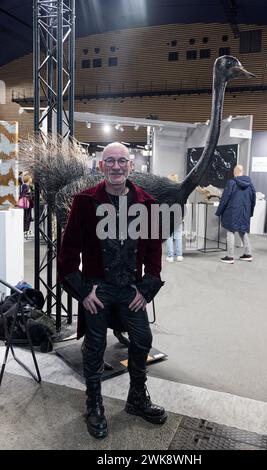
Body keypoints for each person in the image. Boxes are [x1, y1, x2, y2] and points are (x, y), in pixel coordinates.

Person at [58, 142, 167, 439]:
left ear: (131, 165)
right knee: (94, 347)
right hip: (97, 289)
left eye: (122, 161)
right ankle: (94, 403)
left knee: (143, 339)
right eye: (110, 161)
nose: (116, 166)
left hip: (131, 288)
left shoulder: (147, 204)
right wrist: (83, 292)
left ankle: (136, 397)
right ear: (101, 166)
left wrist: (145, 290)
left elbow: (154, 254)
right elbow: (68, 254)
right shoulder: (84, 202)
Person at [215, 164, 256, 264]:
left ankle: (230, 256)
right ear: (242, 171)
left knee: (230, 231)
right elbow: (253, 200)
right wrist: (250, 212)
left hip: (232, 212)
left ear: (235, 172)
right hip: (244, 212)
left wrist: (218, 211)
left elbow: (224, 199)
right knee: (243, 231)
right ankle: (248, 254)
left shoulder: (232, 183)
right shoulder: (250, 185)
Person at [166, 174, 184, 262]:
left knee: (168, 237)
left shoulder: (166, 192)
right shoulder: (181, 192)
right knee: (178, 236)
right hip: (178, 217)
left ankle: (170, 256)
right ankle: (179, 255)